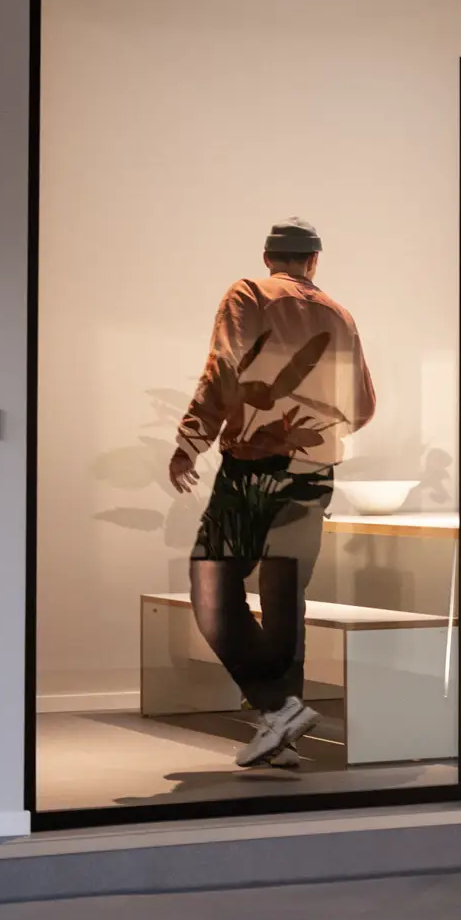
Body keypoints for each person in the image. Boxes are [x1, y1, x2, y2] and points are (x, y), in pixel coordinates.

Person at [169, 218, 376, 768]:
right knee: (285, 596)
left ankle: (275, 707)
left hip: (256, 467)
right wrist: (310, 427)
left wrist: (191, 440)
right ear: (314, 262)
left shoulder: (249, 294)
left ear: (268, 257)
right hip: (315, 473)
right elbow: (362, 407)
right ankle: (282, 729)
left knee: (211, 582)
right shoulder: (340, 314)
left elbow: (223, 369)